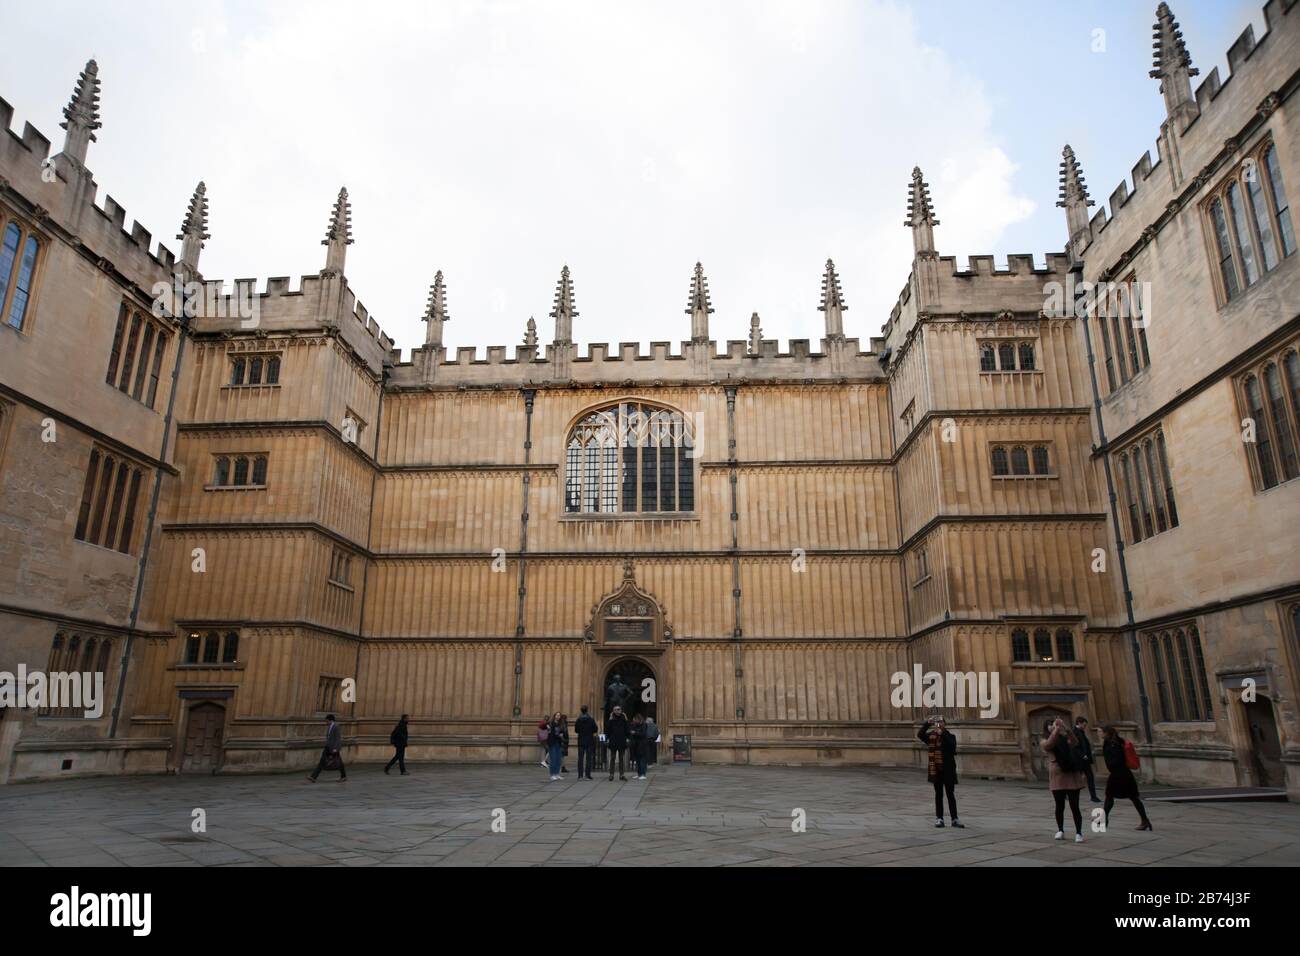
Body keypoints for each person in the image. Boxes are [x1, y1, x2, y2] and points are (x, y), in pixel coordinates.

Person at [1042, 717, 1086, 842]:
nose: (1052, 726)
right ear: (1046, 728)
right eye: (1050, 724)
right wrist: (1056, 730)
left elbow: (1075, 742)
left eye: (1053, 724)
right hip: (1057, 777)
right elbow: (1049, 745)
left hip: (1071, 774)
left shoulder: (1064, 738)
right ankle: (1060, 830)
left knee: (1074, 806)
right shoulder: (1044, 740)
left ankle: (1079, 832)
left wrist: (1067, 729)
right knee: (1059, 806)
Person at [1102, 725, 1152, 831]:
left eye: (1100, 731)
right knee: (1133, 797)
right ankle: (1145, 821)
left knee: (1110, 796)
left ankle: (1104, 819)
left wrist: (1111, 766)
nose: (1098, 733)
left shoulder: (1113, 744)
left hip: (1119, 774)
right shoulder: (1114, 742)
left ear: (1106, 733)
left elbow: (1116, 760)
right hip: (1125, 774)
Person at [918, 717, 963, 828]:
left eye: (941, 722)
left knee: (950, 795)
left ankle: (954, 819)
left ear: (944, 724)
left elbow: (952, 747)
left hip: (948, 771)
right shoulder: (931, 737)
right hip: (936, 771)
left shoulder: (950, 736)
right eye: (937, 722)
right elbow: (920, 734)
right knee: (938, 795)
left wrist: (942, 733)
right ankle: (939, 818)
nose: (939, 724)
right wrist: (927, 723)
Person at [307, 713, 346, 783]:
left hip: (334, 748)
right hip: (328, 747)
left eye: (326, 720)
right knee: (322, 762)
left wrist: (336, 748)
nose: (326, 722)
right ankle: (313, 777)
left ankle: (343, 776)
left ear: (330, 720)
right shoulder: (329, 726)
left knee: (339, 762)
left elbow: (338, 738)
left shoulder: (336, 726)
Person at [1074, 716, 1101, 803]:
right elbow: (1074, 746)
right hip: (1079, 759)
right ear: (1079, 723)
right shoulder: (1075, 732)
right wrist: (1082, 755)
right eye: (1084, 725)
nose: (1085, 727)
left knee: (1089, 777)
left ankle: (1093, 796)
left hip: (1085, 759)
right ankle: (1067, 793)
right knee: (1075, 777)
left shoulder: (1081, 732)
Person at [605, 705, 629, 781]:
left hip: (621, 741)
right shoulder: (611, 719)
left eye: (619, 709)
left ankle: (622, 774)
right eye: (617, 709)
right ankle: (611, 774)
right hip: (613, 741)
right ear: (614, 711)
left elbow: (627, 729)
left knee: (621, 758)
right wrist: (607, 739)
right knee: (612, 758)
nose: (618, 711)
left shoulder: (623, 719)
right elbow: (607, 730)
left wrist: (628, 738)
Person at [574, 705, 598, 780]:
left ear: (581, 710)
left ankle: (580, 775)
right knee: (588, 759)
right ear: (587, 710)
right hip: (589, 741)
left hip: (581, 741)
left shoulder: (578, 720)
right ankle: (588, 775)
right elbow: (595, 729)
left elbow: (576, 730)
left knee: (580, 759)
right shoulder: (591, 719)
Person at [546, 711, 568, 781]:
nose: (558, 716)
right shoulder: (551, 724)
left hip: (558, 743)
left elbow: (562, 733)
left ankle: (557, 774)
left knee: (558, 759)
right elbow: (549, 732)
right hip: (552, 743)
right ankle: (552, 774)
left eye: (559, 715)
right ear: (554, 716)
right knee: (553, 759)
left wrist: (561, 735)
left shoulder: (560, 724)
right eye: (557, 715)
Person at [630, 713, 648, 780]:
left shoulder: (644, 725)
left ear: (638, 719)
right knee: (637, 760)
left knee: (642, 760)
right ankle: (639, 773)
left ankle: (643, 774)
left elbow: (643, 734)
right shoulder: (635, 725)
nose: (634, 720)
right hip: (636, 745)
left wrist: (635, 733)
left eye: (635, 719)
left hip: (642, 745)